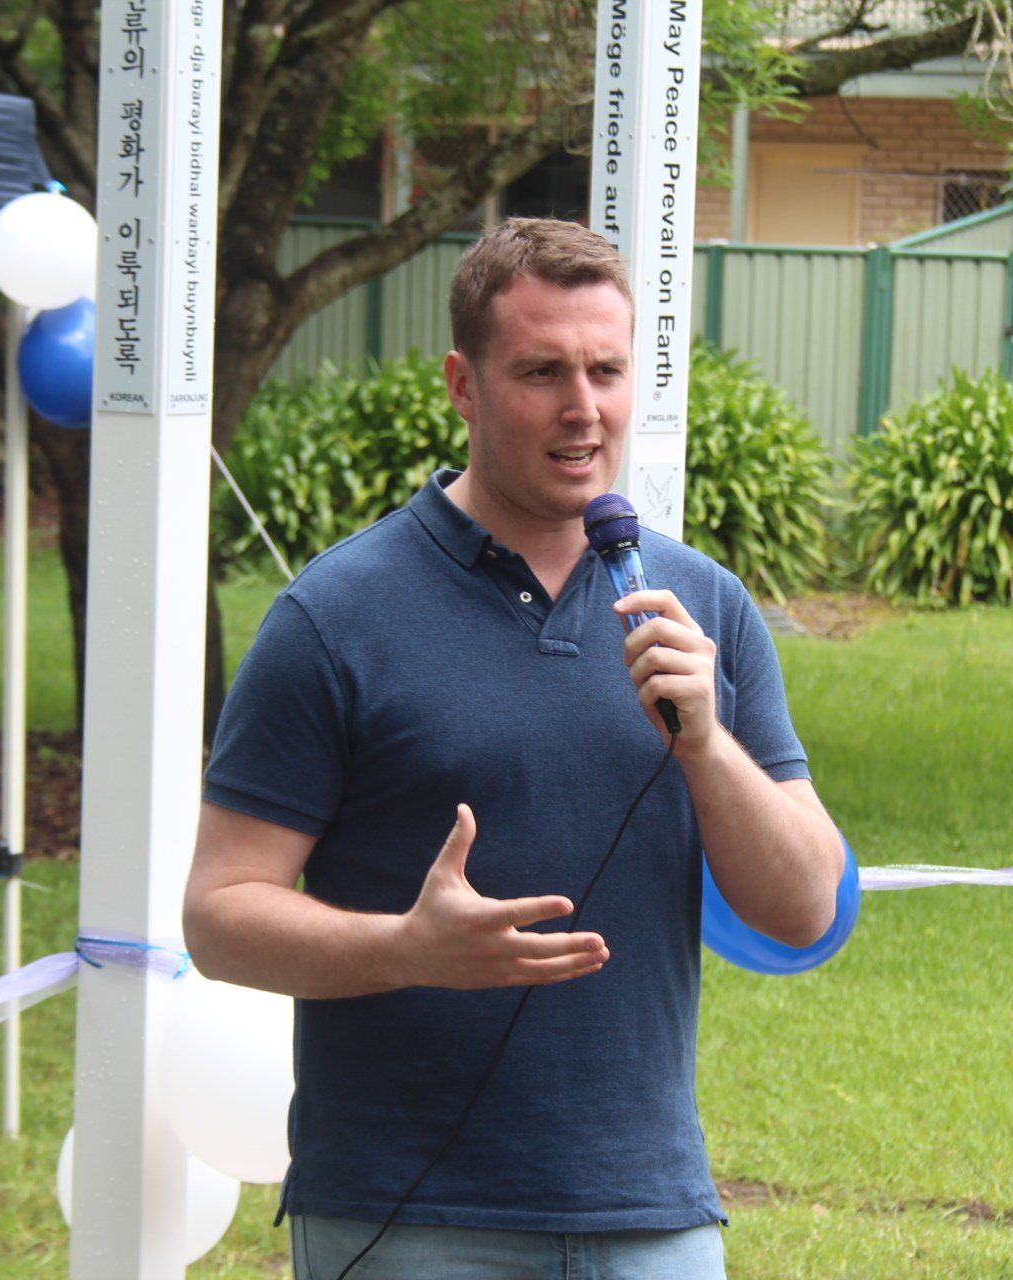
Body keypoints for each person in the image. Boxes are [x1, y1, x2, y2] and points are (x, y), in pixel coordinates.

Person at [184, 217, 845, 1280]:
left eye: (606, 369)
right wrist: (407, 948)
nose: (583, 408)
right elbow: (219, 916)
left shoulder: (703, 604)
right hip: (407, 1216)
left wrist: (708, 747)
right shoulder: (335, 614)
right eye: (541, 371)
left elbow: (804, 905)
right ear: (462, 383)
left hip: (650, 1209)